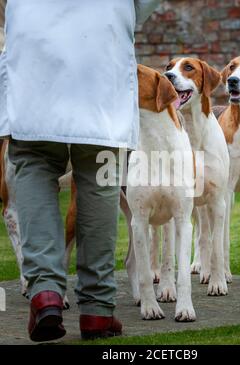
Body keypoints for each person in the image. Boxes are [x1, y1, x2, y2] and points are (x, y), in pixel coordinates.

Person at [0, 0, 160, 342]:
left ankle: (45, 293)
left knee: (33, 160)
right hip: (102, 41)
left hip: (33, 44)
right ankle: (98, 311)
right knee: (101, 173)